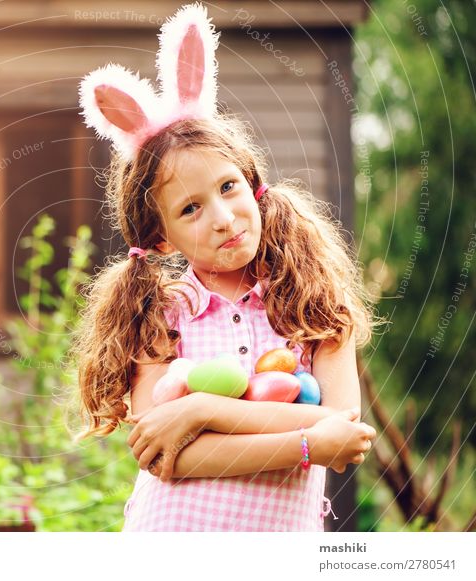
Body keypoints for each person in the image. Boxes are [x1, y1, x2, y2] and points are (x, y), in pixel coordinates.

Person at [72, 3, 379, 531]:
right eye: (190, 208)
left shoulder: (316, 304)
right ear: (161, 234)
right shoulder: (161, 314)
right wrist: (306, 442)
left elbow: (342, 427)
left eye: (228, 187)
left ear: (251, 182)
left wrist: (201, 413)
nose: (221, 218)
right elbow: (162, 455)